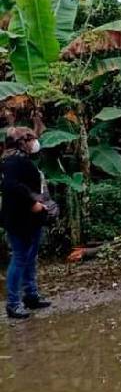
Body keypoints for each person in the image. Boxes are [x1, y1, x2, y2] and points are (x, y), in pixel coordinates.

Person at [0, 127, 51, 319]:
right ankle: (13, 303)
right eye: (31, 139)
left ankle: (31, 295)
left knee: (29, 257)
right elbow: (10, 186)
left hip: (28, 219)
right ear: (22, 142)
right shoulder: (13, 161)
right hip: (20, 219)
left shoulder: (17, 160)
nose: (35, 143)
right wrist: (32, 203)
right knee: (20, 257)